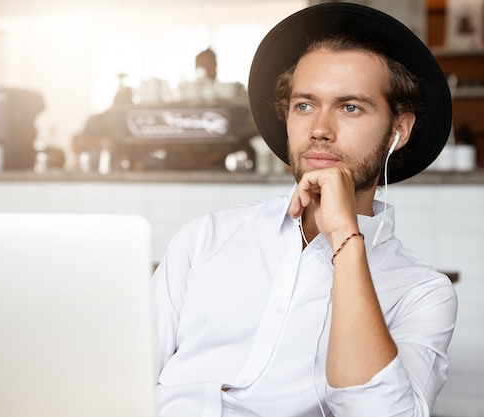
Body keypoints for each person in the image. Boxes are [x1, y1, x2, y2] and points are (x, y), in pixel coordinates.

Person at [151, 3, 457, 417]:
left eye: (350, 107)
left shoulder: (421, 292)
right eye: (305, 105)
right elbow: (126, 376)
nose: (319, 129)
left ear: (397, 132)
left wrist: (346, 240)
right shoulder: (205, 238)